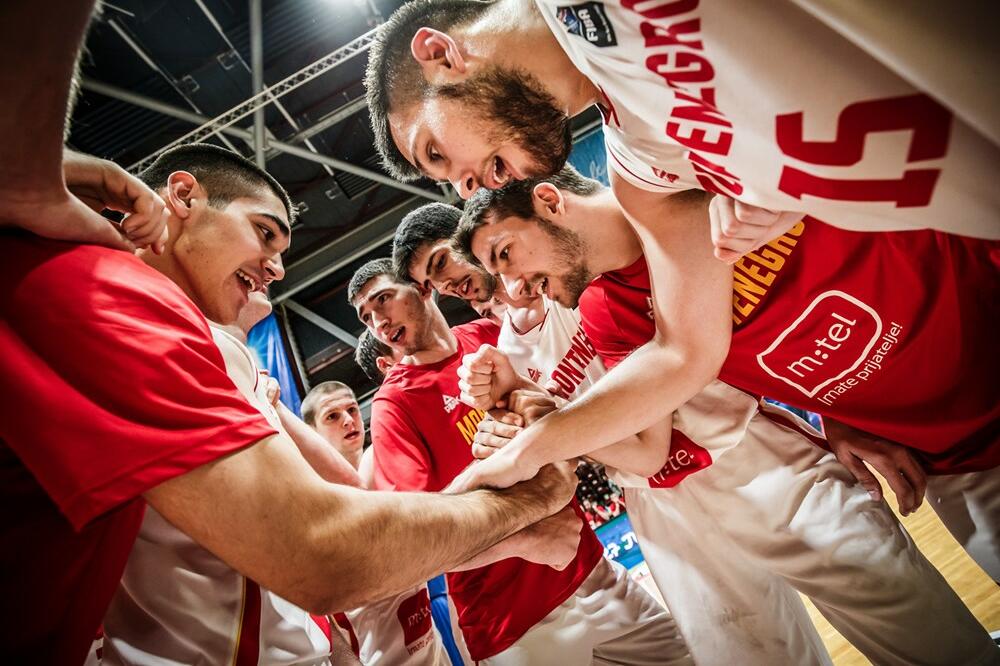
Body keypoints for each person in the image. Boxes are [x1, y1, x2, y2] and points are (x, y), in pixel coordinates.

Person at [1, 103, 576, 666]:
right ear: (181, 197)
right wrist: (524, 507)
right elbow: (325, 550)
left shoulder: (216, 344)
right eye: (265, 232)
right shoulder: (115, 302)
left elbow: (344, 506)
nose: (276, 271)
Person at [452, 171, 998, 665]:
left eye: (504, 256)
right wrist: (530, 405)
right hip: (667, 498)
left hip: (763, 453)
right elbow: (651, 443)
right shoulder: (585, 311)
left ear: (548, 200)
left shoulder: (680, 189)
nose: (512, 285)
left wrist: (539, 433)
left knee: (929, 636)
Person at [350, 258, 691, 665]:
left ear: (423, 288)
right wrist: (530, 540)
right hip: (511, 622)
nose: (378, 322)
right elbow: (416, 536)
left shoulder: (488, 336)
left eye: (383, 300)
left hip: (590, 571)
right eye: (366, 317)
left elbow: (559, 416)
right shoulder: (394, 404)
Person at [101, 290, 362, 664]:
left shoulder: (244, 371)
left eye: (352, 410)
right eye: (262, 232)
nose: (273, 268)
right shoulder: (192, 354)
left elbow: (338, 493)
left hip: (292, 634)